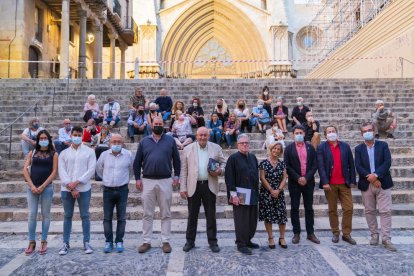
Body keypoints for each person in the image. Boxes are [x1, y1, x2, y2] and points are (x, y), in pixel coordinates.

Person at [134, 117, 181, 254]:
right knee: (147, 213)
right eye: (156, 124)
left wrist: (176, 176)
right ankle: (146, 241)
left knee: (165, 213)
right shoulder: (144, 142)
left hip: (165, 180)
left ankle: (165, 241)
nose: (158, 126)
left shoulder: (170, 141)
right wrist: (137, 179)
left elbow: (177, 161)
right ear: (151, 125)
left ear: (164, 125)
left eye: (160, 124)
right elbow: (137, 162)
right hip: (147, 181)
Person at [180, 127, 226, 253]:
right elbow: (184, 170)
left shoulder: (216, 148)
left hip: (209, 185)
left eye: (205, 135)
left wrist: (220, 171)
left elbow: (224, 163)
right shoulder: (187, 149)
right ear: (196, 135)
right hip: (193, 186)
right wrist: (183, 187)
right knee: (192, 216)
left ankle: (213, 242)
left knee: (211, 216)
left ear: (209, 136)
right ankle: (190, 241)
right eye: (200, 135)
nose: (202, 137)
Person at [355, 122, 396, 251]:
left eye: (369, 130)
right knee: (369, 211)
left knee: (385, 211)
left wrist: (377, 175)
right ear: (362, 134)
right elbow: (358, 166)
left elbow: (387, 162)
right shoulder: (358, 149)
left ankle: (386, 238)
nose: (367, 132)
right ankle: (374, 235)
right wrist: (371, 178)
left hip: (383, 182)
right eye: (365, 131)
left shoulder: (383, 145)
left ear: (374, 131)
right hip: (367, 184)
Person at [58, 126, 96, 255]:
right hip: (66, 189)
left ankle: (86, 242)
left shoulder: (89, 152)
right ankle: (65, 243)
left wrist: (77, 182)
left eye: (79, 135)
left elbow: (91, 170)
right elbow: (61, 172)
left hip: (84, 189)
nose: (77, 137)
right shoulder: (64, 153)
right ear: (71, 135)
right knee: (67, 215)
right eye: (75, 135)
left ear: (82, 136)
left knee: (85, 215)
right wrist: (71, 187)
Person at [317, 126, 357, 245]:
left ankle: (346, 233)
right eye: (329, 132)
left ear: (337, 133)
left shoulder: (345, 146)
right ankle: (335, 232)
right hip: (330, 184)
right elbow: (321, 166)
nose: (331, 133)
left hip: (344, 183)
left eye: (333, 131)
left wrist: (352, 180)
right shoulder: (321, 147)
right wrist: (324, 181)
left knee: (348, 208)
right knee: (332, 209)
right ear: (325, 135)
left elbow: (351, 163)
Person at [22, 130, 58, 255]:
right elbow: (25, 170)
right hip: (32, 187)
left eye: (45, 138)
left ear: (48, 139)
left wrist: (43, 186)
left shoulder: (54, 154)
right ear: (37, 140)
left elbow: (54, 172)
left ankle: (43, 240)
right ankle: (31, 241)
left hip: (46, 188)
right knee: (32, 214)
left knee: (46, 215)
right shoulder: (32, 153)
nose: (43, 140)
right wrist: (32, 186)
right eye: (40, 138)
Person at [96, 134, 133, 254]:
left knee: (121, 218)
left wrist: (125, 180)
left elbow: (131, 170)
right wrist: (106, 179)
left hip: (122, 189)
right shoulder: (104, 155)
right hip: (108, 190)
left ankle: (119, 241)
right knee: (107, 218)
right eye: (114, 142)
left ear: (122, 143)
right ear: (110, 143)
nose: (116, 144)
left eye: (119, 142)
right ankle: (108, 241)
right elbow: (99, 169)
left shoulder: (128, 154)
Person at [225, 134, 260, 255]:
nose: (245, 145)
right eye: (242, 143)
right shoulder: (233, 158)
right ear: (238, 145)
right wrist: (233, 195)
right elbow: (229, 178)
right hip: (240, 195)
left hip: (253, 193)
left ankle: (248, 240)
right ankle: (241, 243)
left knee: (252, 220)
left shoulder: (253, 157)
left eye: (247, 143)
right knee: (241, 220)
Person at [284, 125, 319, 244]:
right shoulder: (288, 149)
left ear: (304, 134)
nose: (299, 135)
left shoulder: (310, 147)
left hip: (308, 182)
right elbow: (287, 166)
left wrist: (306, 177)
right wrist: (298, 178)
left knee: (309, 208)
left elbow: (315, 165)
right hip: (295, 182)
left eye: (300, 132)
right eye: (296, 133)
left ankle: (310, 233)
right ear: (293, 135)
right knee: (294, 208)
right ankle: (296, 233)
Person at [259, 142, 288, 249]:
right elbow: (262, 178)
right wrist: (271, 190)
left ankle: (282, 237)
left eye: (278, 149)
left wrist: (278, 190)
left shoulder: (282, 164)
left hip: (279, 192)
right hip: (267, 192)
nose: (276, 151)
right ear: (271, 149)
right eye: (274, 148)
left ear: (281, 152)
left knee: (282, 216)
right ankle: (270, 238)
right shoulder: (264, 163)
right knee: (268, 216)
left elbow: (285, 177)